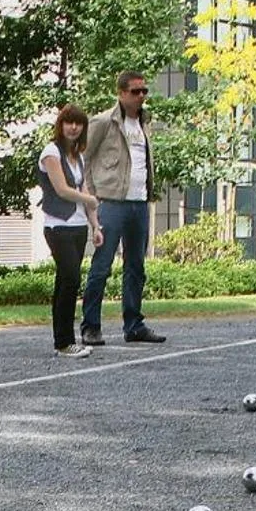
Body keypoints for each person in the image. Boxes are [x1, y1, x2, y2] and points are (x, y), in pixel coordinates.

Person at [80, 70, 164, 345]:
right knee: (102, 265)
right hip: (111, 202)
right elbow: (83, 159)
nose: (141, 96)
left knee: (136, 267)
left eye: (144, 91)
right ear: (121, 93)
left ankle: (134, 325)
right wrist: (92, 196)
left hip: (139, 203)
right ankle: (91, 326)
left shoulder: (145, 121)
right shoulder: (104, 122)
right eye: (135, 91)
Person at [38, 105, 103, 358]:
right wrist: (90, 200)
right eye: (69, 123)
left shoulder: (79, 156)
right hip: (58, 226)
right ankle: (65, 342)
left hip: (77, 227)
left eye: (78, 123)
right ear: (61, 125)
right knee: (71, 279)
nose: (73, 127)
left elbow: (84, 190)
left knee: (65, 282)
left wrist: (96, 225)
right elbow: (63, 189)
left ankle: (63, 341)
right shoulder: (50, 152)